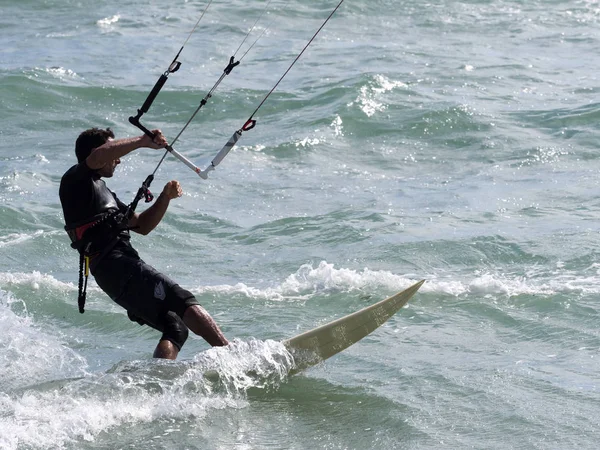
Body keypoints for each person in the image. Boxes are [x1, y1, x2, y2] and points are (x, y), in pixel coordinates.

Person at [59, 127, 229, 359]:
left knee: (176, 329)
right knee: (181, 298)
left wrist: (165, 197)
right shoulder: (76, 179)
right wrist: (142, 141)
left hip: (112, 276)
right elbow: (99, 156)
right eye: (113, 152)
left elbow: (142, 226)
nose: (118, 160)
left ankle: (157, 382)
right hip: (117, 265)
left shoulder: (104, 192)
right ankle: (234, 356)